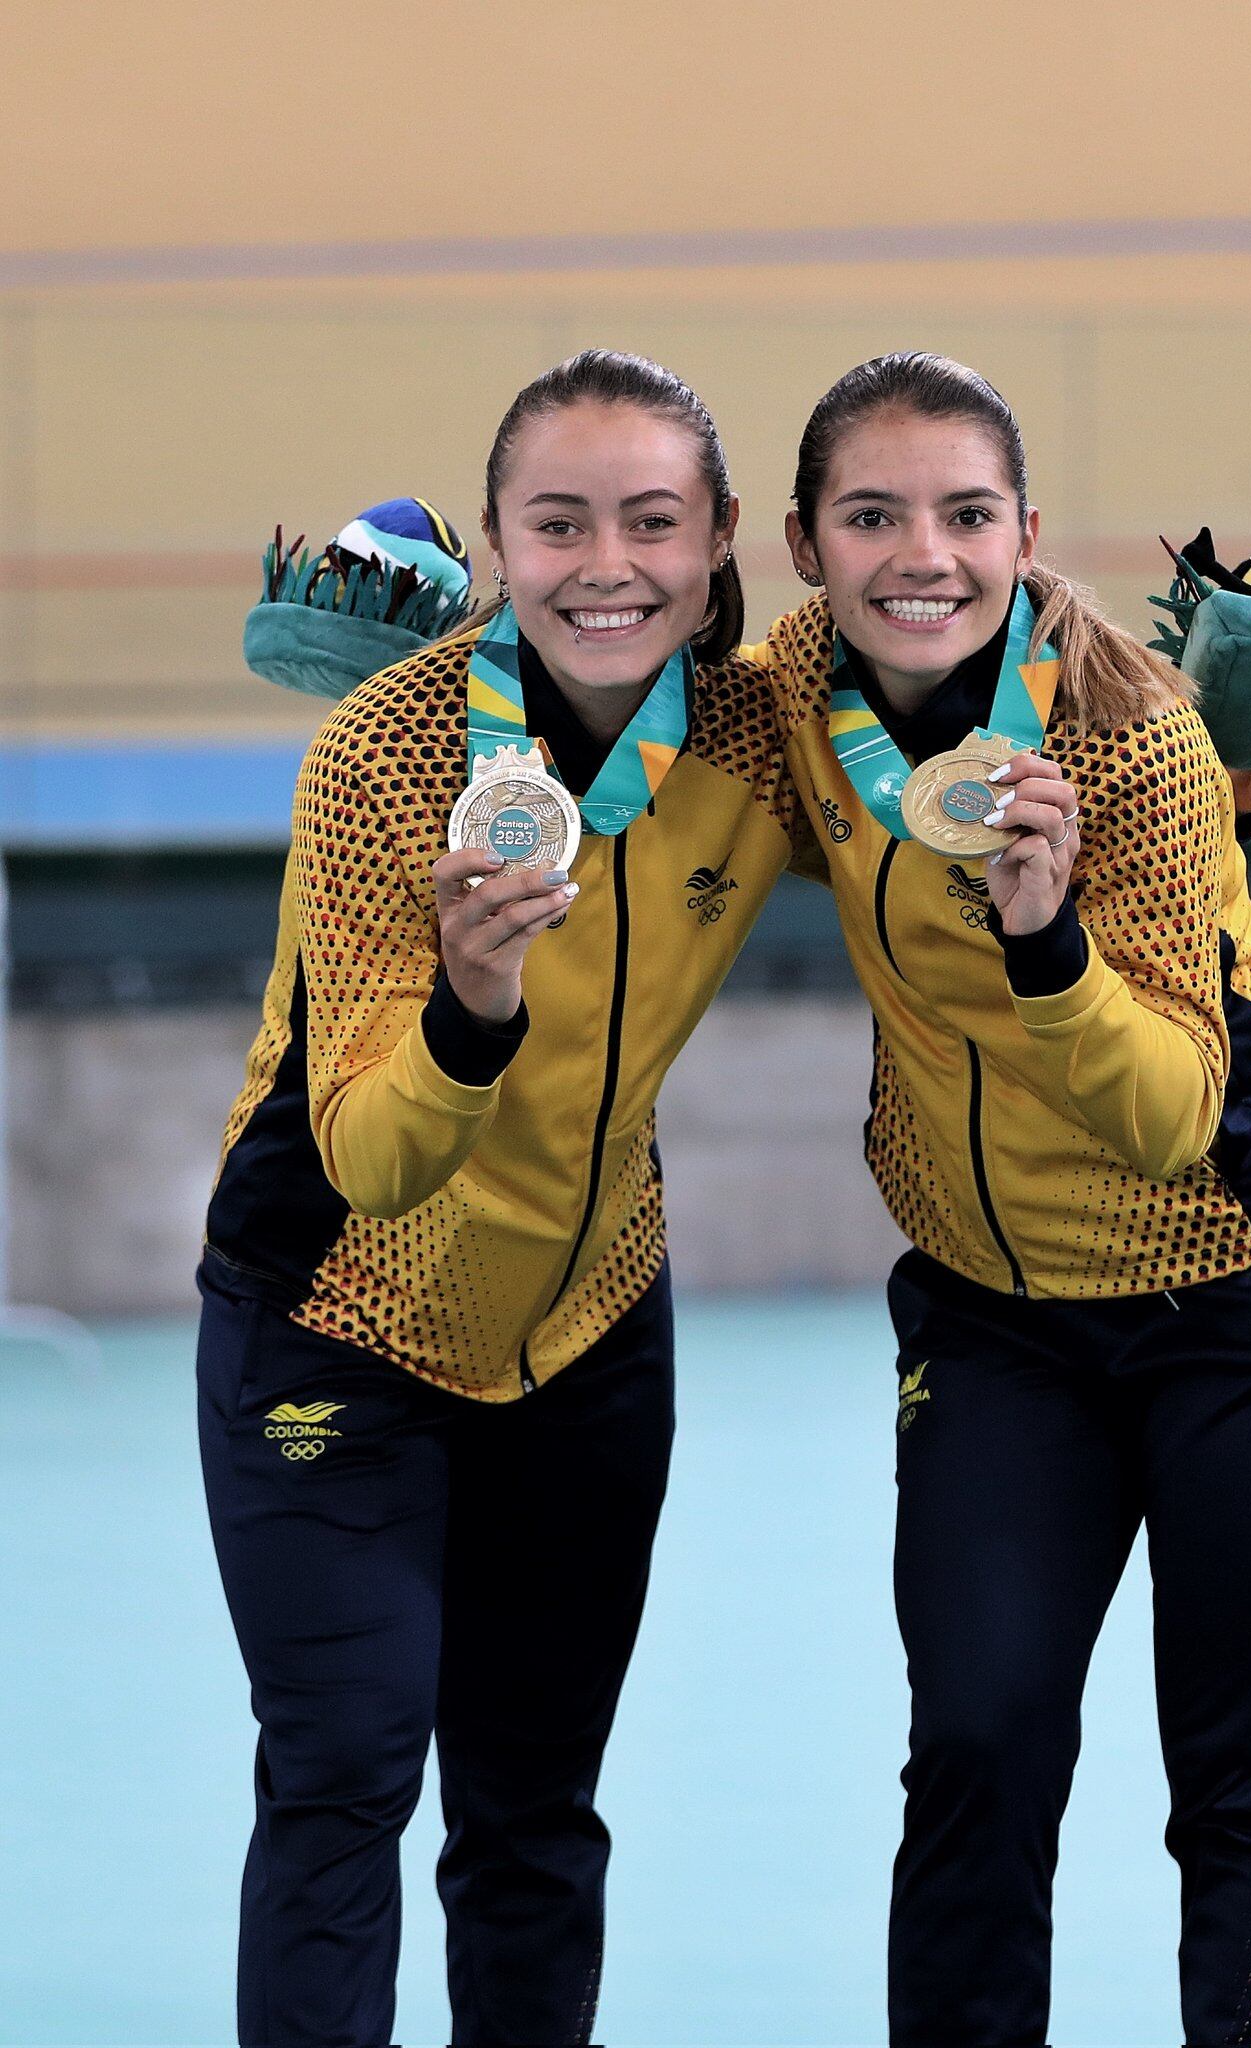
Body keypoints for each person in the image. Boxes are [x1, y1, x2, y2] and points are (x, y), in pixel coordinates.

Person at [748, 351, 1251, 2047]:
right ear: (806, 547)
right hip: (990, 1313)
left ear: (1024, 534)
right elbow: (620, 758)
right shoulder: (788, 696)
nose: (922, 556)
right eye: (870, 516)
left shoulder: (1136, 746)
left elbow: (1173, 1112)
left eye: (965, 515)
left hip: (1239, 1296)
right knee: (974, 1749)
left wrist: (1047, 945)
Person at [196, 350, 807, 2048]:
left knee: (534, 1811)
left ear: (717, 542)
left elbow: (946, 798)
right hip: (334, 1313)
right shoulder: (386, 756)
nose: (604, 564)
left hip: (591, 1322)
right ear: (492, 544)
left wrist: (1238, 795)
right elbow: (374, 1158)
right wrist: (471, 1009)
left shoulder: (755, 731)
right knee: (342, 1778)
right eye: (556, 524)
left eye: (648, 522)